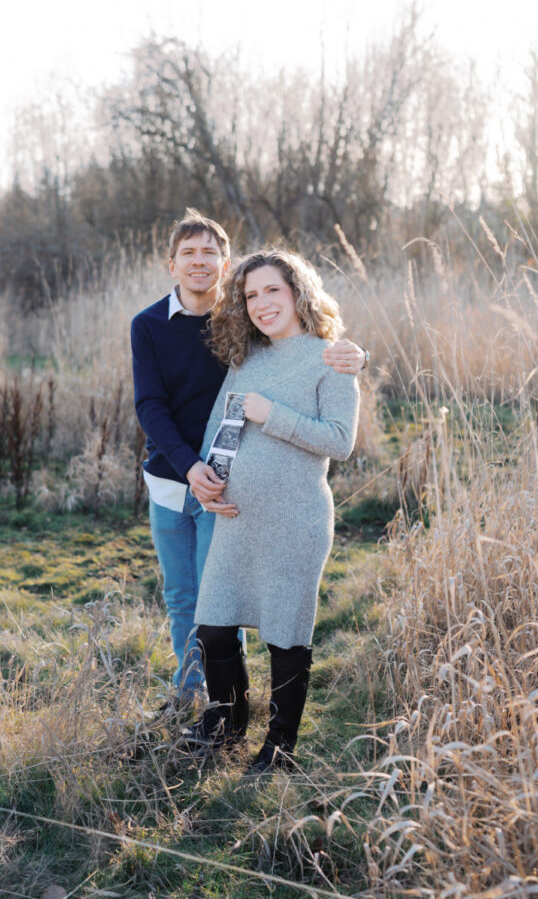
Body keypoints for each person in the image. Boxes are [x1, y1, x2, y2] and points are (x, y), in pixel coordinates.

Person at [130, 212, 366, 701]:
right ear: (171, 264)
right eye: (188, 254)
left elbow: (303, 346)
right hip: (176, 479)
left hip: (229, 487)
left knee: (223, 597)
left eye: (209, 253)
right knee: (181, 597)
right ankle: (192, 694)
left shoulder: (242, 323)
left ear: (225, 262)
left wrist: (358, 357)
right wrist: (191, 468)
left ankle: (231, 702)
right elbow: (150, 406)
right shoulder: (149, 325)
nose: (199, 263)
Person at [183, 248, 360, 774]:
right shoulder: (246, 359)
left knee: (285, 634)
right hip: (236, 518)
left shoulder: (331, 357)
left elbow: (341, 441)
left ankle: (280, 749)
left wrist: (272, 414)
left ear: (298, 292)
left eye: (272, 290)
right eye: (251, 294)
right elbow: (220, 427)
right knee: (214, 627)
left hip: (295, 521)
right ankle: (226, 726)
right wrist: (207, 484)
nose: (261, 303)